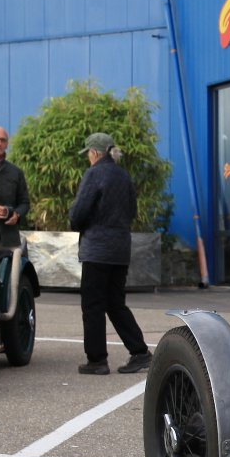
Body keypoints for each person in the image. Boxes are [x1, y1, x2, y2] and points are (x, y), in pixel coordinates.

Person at [70, 132, 152, 375]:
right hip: (120, 248)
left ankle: (97, 360)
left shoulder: (94, 173)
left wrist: (76, 223)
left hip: (97, 249)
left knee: (92, 305)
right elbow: (132, 211)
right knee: (115, 303)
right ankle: (140, 352)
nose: (88, 157)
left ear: (95, 152)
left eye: (88, 153)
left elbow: (79, 212)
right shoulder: (123, 175)